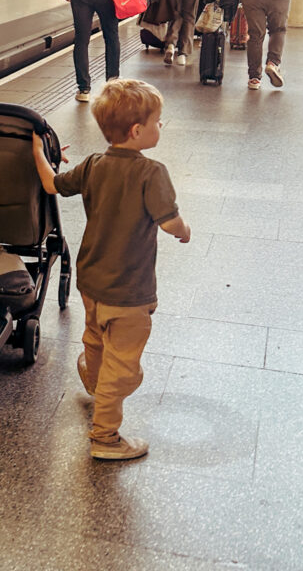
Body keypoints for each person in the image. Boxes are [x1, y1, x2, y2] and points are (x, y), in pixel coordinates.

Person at [32, 79, 190, 460]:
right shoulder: (152, 173)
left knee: (95, 336)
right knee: (125, 370)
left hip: (91, 282)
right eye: (158, 122)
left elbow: (52, 184)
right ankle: (105, 438)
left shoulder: (92, 165)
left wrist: (38, 150)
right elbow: (170, 223)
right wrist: (184, 232)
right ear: (138, 131)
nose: (160, 127)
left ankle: (93, 374)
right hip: (130, 291)